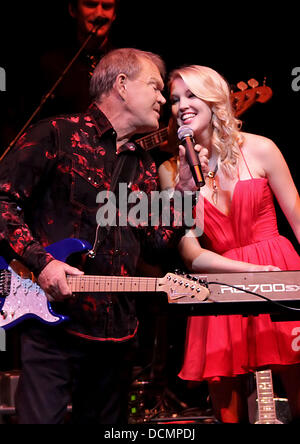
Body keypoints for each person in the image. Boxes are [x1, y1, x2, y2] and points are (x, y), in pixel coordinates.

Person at [0, 48, 207, 424]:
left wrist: (185, 193)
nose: (164, 99)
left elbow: (157, 244)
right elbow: (2, 201)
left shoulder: (141, 163)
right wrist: (41, 262)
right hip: (54, 327)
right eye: (156, 87)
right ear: (122, 86)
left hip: (117, 336)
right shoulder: (57, 134)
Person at [158, 64, 300, 423]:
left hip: (281, 275)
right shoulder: (171, 171)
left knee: (298, 394)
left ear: (215, 98)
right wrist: (250, 271)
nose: (181, 105)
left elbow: (298, 220)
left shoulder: (262, 149)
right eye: (175, 99)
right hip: (222, 283)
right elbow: (190, 252)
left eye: (191, 94)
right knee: (227, 410)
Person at [0, 0, 119, 154]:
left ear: (115, 14)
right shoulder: (50, 63)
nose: (99, 13)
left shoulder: (126, 65)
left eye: (107, 7)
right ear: (73, 9)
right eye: (91, 5)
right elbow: (15, 119)